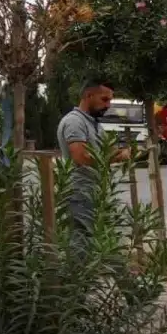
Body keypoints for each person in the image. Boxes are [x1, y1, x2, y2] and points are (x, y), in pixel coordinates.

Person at [56, 79, 132, 241]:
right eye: (104, 99)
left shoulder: (94, 124)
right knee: (82, 242)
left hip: (95, 192)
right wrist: (117, 156)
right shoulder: (75, 122)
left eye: (110, 100)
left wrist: (126, 153)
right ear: (88, 95)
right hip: (80, 193)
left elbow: (108, 151)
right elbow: (81, 158)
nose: (108, 105)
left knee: (98, 242)